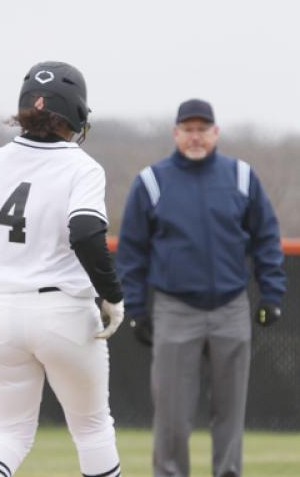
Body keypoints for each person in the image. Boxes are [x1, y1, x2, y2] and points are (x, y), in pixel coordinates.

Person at [0, 61, 124, 477]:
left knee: (8, 434)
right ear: (78, 112)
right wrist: (112, 294)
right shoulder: (82, 166)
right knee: (93, 429)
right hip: (61, 311)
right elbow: (85, 233)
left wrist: (7, 244)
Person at [115, 99, 286, 477]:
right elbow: (131, 252)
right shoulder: (152, 181)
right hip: (175, 308)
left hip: (231, 306)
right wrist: (138, 310)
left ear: (216, 133)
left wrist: (271, 294)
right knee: (172, 414)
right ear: (176, 133)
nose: (195, 136)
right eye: (187, 129)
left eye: (202, 129)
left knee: (230, 410)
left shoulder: (242, 177)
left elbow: (266, 238)